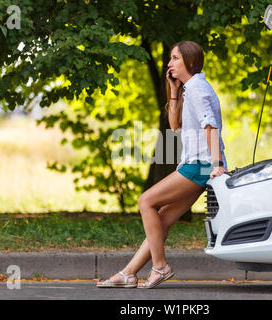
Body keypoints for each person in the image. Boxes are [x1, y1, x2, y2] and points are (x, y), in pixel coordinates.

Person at [97, 40, 228, 289]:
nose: (169, 63)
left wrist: (216, 164)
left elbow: (211, 125)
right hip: (197, 164)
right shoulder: (191, 89)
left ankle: (160, 267)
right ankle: (128, 273)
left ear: (189, 62)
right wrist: (173, 90)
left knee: (146, 201)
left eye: (175, 58)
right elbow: (175, 126)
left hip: (200, 165)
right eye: (170, 58)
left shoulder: (198, 89)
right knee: (162, 219)